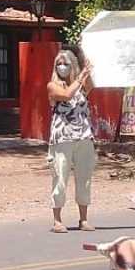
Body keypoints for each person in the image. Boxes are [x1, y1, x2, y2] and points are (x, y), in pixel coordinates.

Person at [47, 50, 95, 234]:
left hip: (83, 135)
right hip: (62, 137)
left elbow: (90, 86)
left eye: (66, 63)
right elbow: (66, 95)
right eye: (59, 63)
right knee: (60, 177)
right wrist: (81, 75)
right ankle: (57, 220)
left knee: (84, 179)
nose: (62, 67)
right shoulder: (52, 86)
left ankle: (83, 219)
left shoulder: (80, 85)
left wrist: (86, 66)